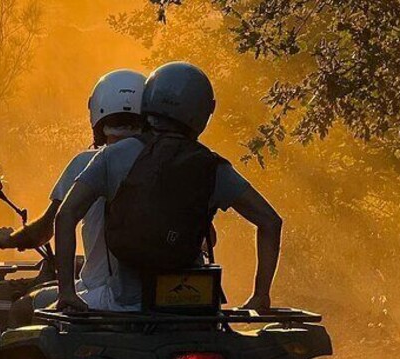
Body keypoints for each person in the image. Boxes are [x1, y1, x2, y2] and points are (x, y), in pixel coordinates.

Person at [54, 61, 283, 313]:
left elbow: (66, 215)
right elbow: (270, 222)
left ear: (149, 99)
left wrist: (67, 292)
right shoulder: (212, 166)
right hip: (193, 306)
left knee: (34, 312)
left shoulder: (113, 156)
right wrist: (260, 296)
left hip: (124, 304)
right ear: (207, 110)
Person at [0, 69, 146, 323]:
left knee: (20, 310)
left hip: (106, 295)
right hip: (163, 300)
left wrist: (9, 239)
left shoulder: (89, 161)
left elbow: (47, 229)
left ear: (98, 115)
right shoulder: (165, 164)